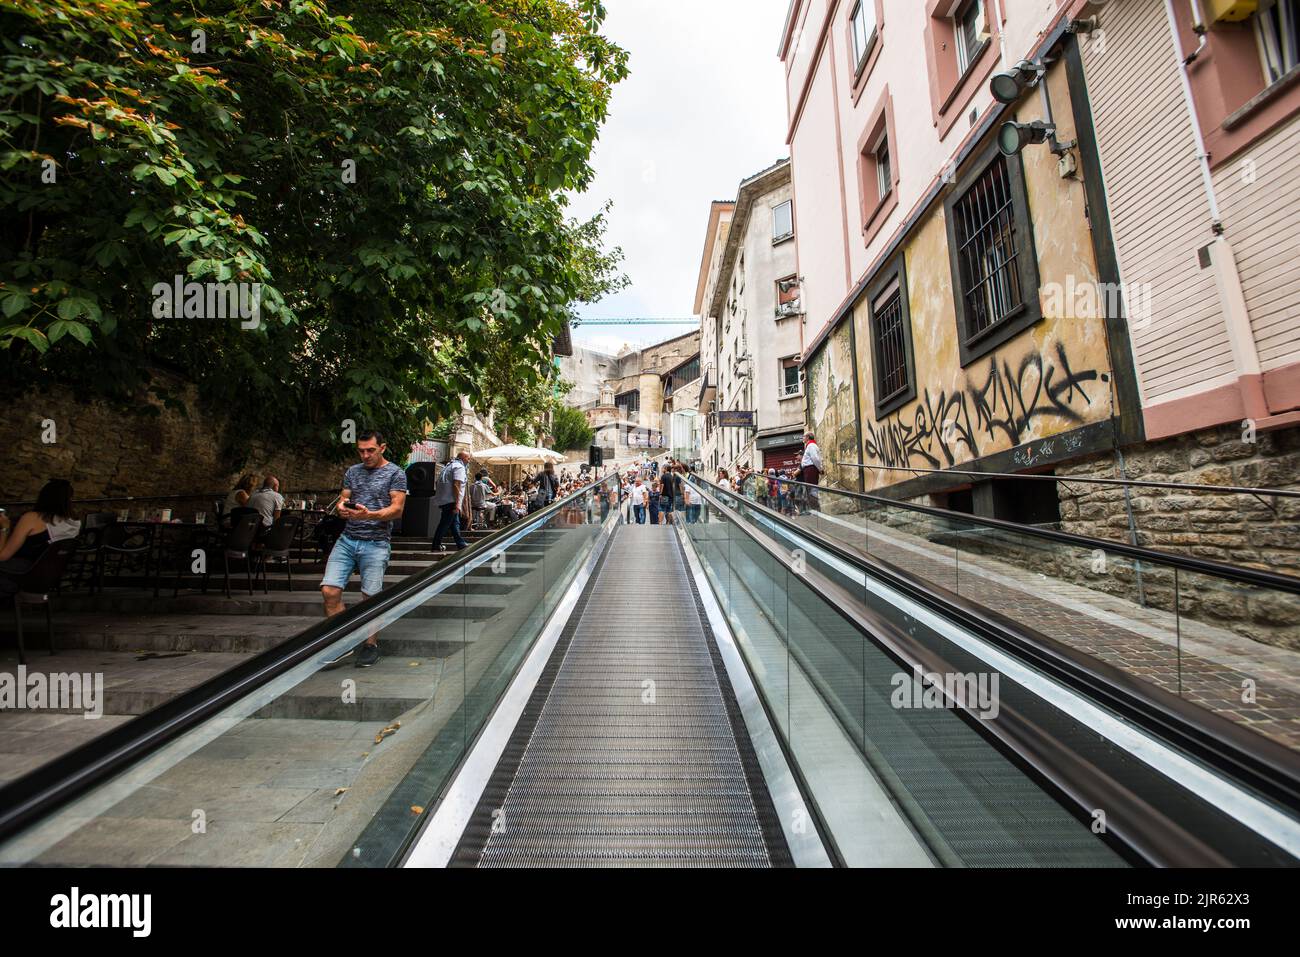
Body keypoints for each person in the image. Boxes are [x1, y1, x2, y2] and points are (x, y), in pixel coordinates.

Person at [321, 431, 407, 667]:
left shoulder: (395, 473)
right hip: (348, 539)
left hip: (376, 542)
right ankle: (343, 642)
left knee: (370, 597)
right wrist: (341, 507)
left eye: (370, 450)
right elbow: (343, 498)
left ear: (383, 447)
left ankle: (370, 644)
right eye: (361, 450)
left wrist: (369, 514)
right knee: (329, 590)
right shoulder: (353, 472)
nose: (365, 455)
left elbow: (397, 509)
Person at [0, 479, 82, 594]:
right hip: (48, 576)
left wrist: (5, 527)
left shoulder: (32, 518)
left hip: (22, 572)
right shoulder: (74, 523)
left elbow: (2, 556)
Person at [431, 449, 472, 552]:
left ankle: (460, 543)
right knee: (445, 523)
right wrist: (457, 503)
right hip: (451, 500)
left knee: (454, 523)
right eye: (468, 458)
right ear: (462, 458)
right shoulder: (459, 467)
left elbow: (437, 482)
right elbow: (456, 485)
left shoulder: (448, 466)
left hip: (445, 499)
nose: (469, 461)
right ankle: (436, 545)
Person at [800, 431, 822, 514]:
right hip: (809, 469)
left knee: (812, 490)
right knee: (810, 490)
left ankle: (816, 510)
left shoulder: (811, 446)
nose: (803, 438)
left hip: (810, 469)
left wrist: (819, 469)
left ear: (808, 437)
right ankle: (814, 509)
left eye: (804, 436)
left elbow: (815, 458)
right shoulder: (809, 446)